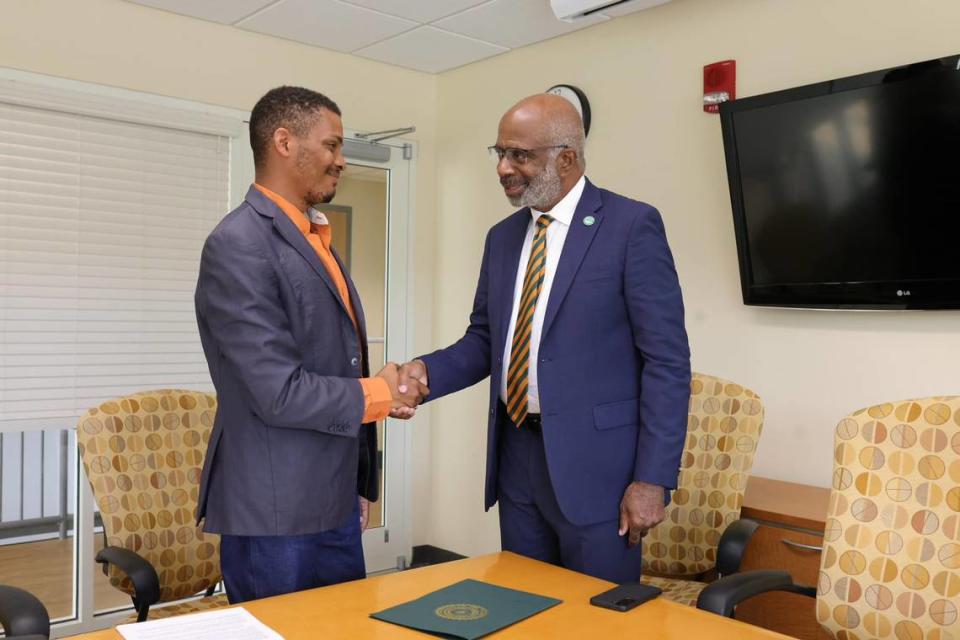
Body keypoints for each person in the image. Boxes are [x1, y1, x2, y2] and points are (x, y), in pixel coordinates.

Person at [397, 94, 690, 583]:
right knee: (525, 608)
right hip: (518, 459)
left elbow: (667, 362)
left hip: (601, 473)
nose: (503, 168)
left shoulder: (631, 226)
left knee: (600, 622)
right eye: (499, 154)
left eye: (520, 155)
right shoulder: (503, 237)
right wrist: (426, 372)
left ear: (567, 157)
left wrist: (653, 479)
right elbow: (485, 339)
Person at [194, 86, 427, 603]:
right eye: (332, 145)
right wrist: (381, 393)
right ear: (283, 141)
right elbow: (276, 390)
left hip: (334, 502)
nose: (341, 161)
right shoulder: (237, 245)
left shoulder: (315, 238)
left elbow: (338, 365)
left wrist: (359, 485)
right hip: (275, 513)